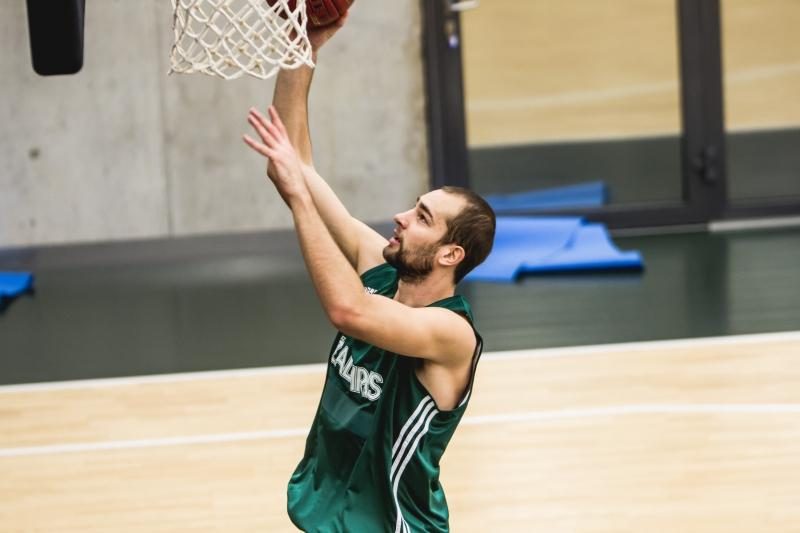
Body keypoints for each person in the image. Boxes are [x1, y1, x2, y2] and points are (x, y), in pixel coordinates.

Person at [242, 15, 496, 533]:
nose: (402, 216)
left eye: (423, 217)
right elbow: (293, 165)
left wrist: (298, 198)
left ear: (451, 255)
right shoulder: (380, 266)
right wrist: (300, 48)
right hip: (326, 517)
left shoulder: (450, 334)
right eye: (414, 206)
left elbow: (348, 310)